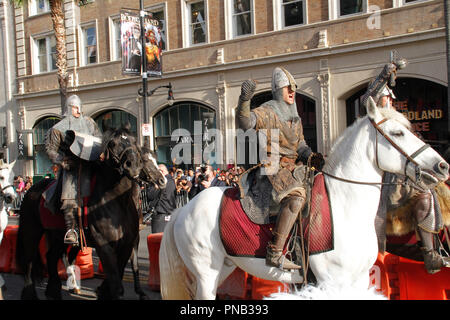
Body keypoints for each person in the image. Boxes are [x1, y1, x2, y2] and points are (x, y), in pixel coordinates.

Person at [236, 67, 324, 270]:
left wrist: (310, 155)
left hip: (294, 168)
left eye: (294, 88)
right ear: (278, 90)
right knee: (297, 197)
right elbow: (245, 122)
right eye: (288, 88)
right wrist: (244, 99)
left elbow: (300, 145)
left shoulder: (296, 118)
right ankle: (274, 252)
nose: (292, 91)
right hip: (272, 167)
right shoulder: (267, 112)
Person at [370, 83, 450, 274]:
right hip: (387, 181)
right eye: (384, 98)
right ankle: (429, 252)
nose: (388, 102)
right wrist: (381, 77)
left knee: (436, 190)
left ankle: (434, 249)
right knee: (425, 196)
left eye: (390, 99)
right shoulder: (371, 125)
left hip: (407, 175)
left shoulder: (400, 123)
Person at [44, 94, 101, 245]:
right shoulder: (58, 129)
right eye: (75, 107)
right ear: (69, 108)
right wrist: (62, 161)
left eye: (79, 107)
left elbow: (98, 139)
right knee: (69, 193)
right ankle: (72, 230)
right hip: (71, 167)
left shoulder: (89, 123)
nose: (78, 110)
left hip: (91, 162)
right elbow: (50, 150)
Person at [150, 164, 176, 233]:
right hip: (170, 214)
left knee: (158, 241)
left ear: (161, 171)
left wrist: (155, 187)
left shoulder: (161, 182)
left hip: (160, 215)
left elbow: (150, 195)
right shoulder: (171, 181)